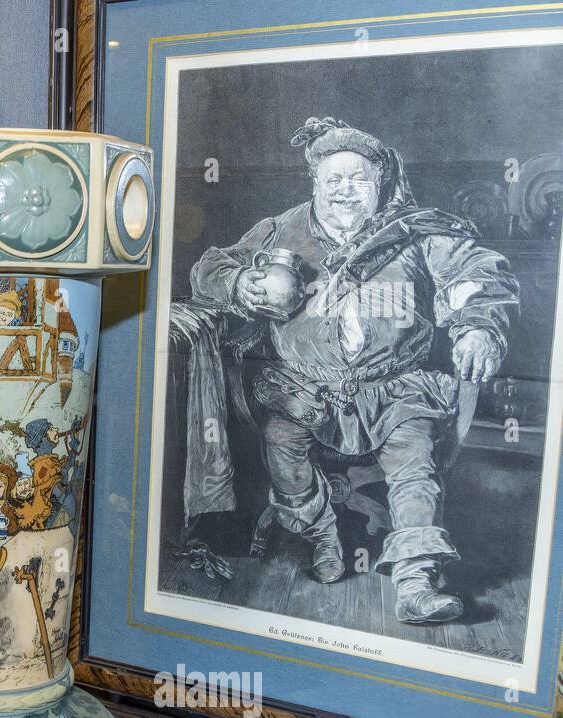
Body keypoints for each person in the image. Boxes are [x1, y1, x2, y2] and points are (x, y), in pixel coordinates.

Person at [177, 116, 518, 623]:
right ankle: (320, 534)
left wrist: (478, 326)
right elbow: (209, 268)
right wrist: (243, 283)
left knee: (414, 461)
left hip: (397, 389)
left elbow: (476, 271)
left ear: (379, 182)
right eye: (333, 180)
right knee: (280, 444)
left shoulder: (415, 231)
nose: (345, 191)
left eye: (358, 179)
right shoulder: (279, 230)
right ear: (315, 182)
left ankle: (416, 581)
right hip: (303, 387)